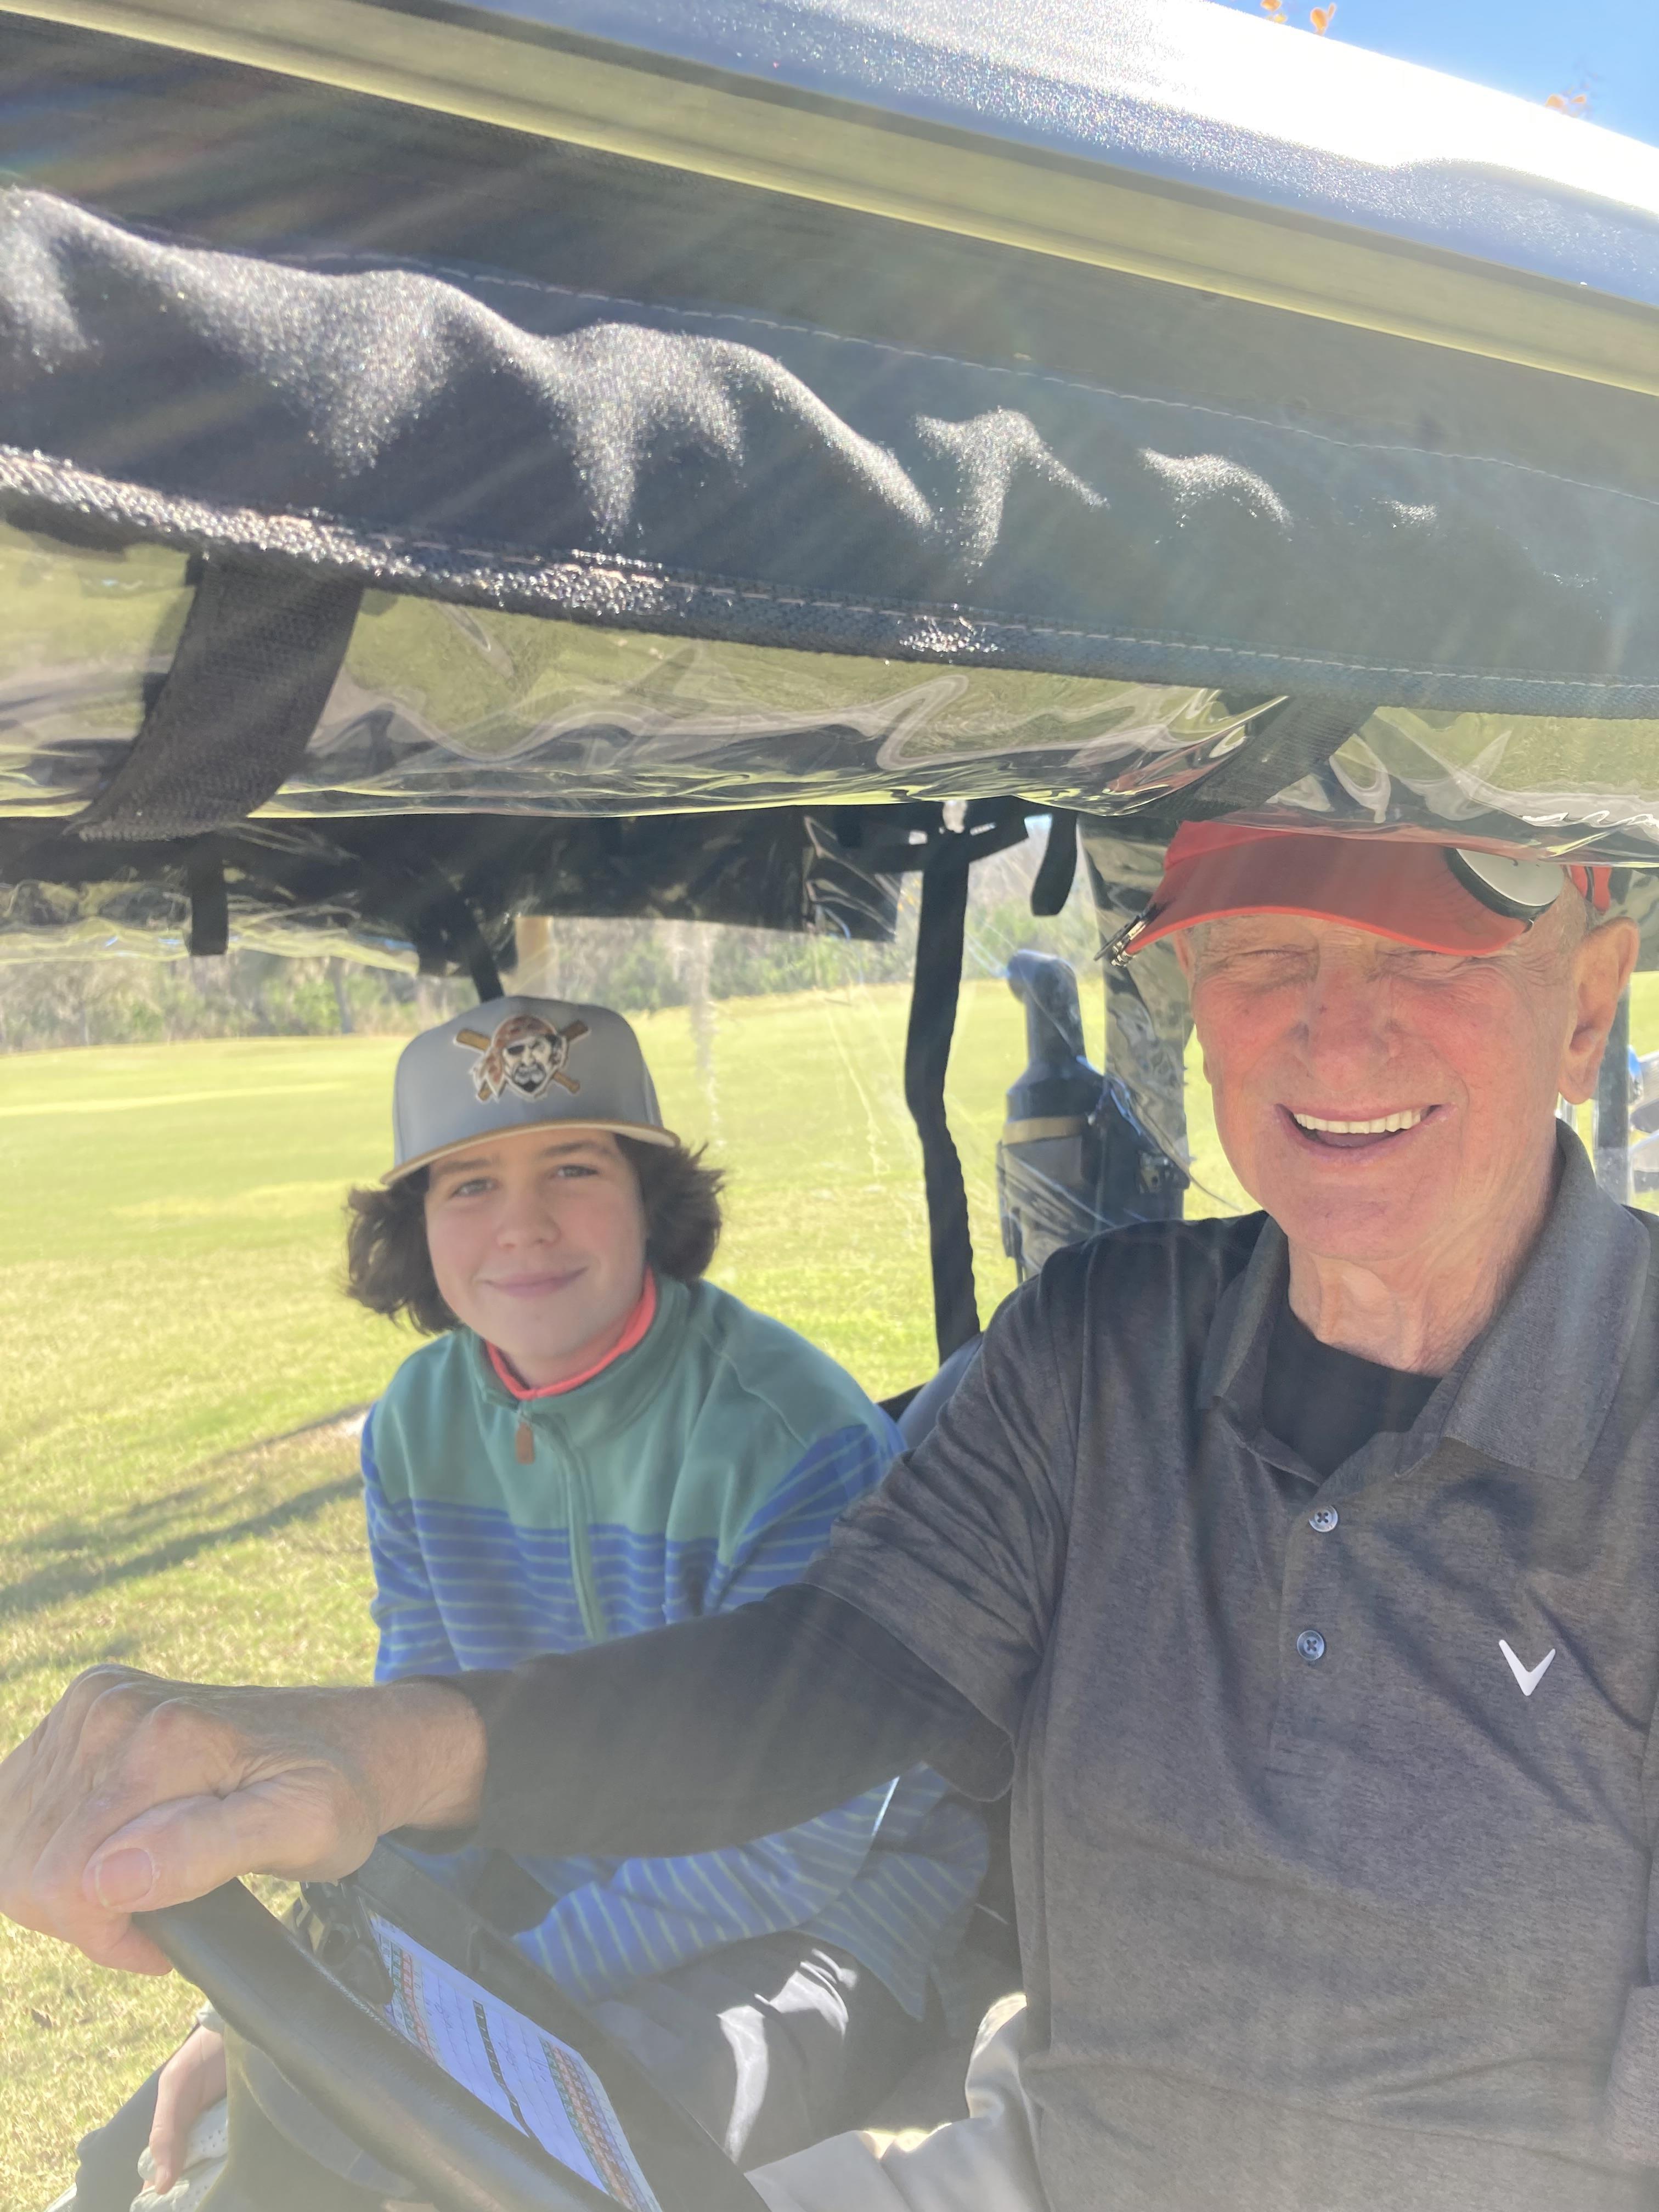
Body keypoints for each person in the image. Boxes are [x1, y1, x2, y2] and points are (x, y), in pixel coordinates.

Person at [4, 829, 1653, 2212]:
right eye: (1263, 956)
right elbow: (822, 1687)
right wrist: (363, 1770)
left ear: (1587, 1002)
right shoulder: (1102, 1345)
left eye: (1427, 959)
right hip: (1065, 2158)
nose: (1333, 1034)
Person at [66, 994, 988, 2206]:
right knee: (167, 2150)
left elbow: (792, 1857)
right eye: (468, 1186)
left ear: (650, 1196)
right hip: (540, 1909)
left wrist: (471, 2004)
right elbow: (414, 1762)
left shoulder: (787, 1438)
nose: (526, 1225)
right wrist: (318, 1994)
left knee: (494, 2172)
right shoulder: (415, 1426)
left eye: (573, 1165)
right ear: (415, 1225)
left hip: (823, 1926)